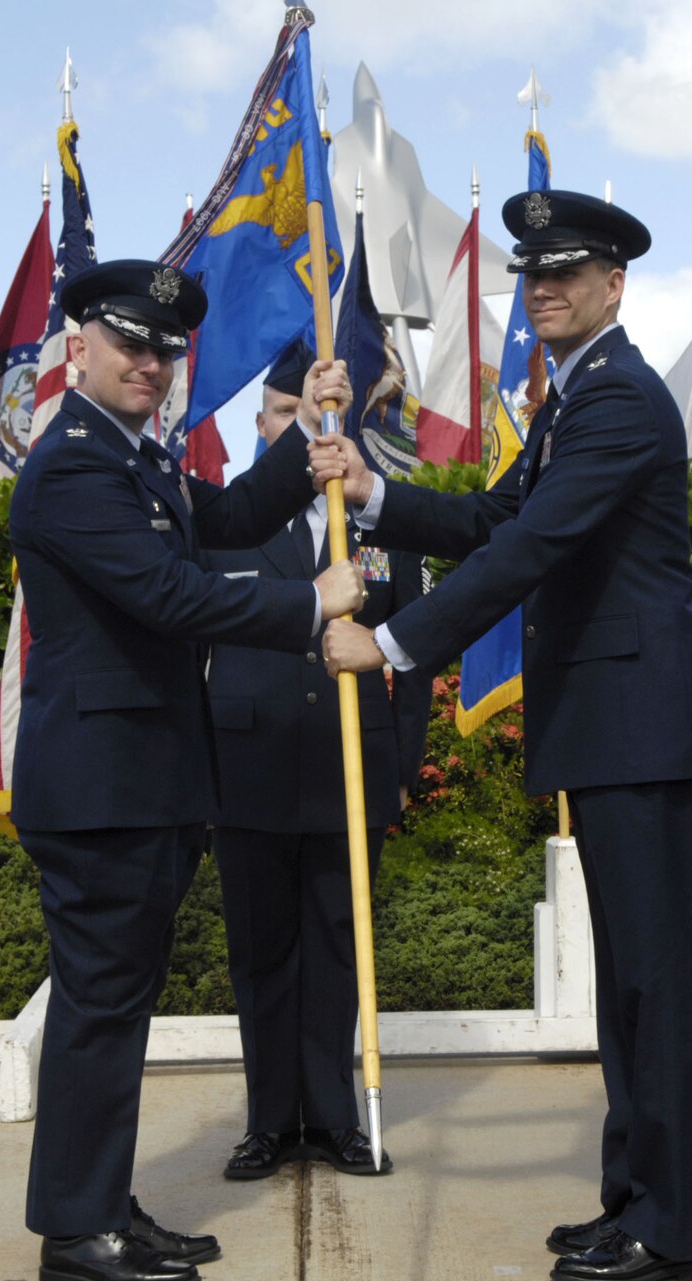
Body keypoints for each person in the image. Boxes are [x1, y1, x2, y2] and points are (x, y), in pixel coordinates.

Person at [319, 189, 692, 1281]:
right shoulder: (573, 398)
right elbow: (494, 519)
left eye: (565, 271)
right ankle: (634, 1196)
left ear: (613, 284)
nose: (542, 288)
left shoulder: (618, 401)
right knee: (629, 988)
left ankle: (675, 1227)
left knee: (655, 983)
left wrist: (395, 642)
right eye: (530, 274)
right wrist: (374, 496)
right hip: (615, 724)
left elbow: (530, 553)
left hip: (644, 727)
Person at [7, 258, 365, 1281]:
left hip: (145, 783)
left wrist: (308, 434)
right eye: (129, 344)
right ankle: (76, 1231)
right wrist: (313, 603)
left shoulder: (137, 462)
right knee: (99, 1006)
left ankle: (100, 1205)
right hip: (101, 787)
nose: (149, 364)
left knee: (116, 1005)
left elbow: (232, 520)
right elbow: (171, 593)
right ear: (80, 346)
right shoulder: (74, 464)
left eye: (164, 351)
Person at [204, 341, 432, 1181]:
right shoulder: (228, 521)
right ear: (263, 426)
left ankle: (334, 1118)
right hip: (249, 769)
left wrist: (402, 763)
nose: (296, 433)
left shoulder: (375, 524)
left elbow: (414, 654)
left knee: (340, 944)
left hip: (350, 766)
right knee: (261, 952)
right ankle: (268, 1122)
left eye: (312, 416)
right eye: (279, 415)